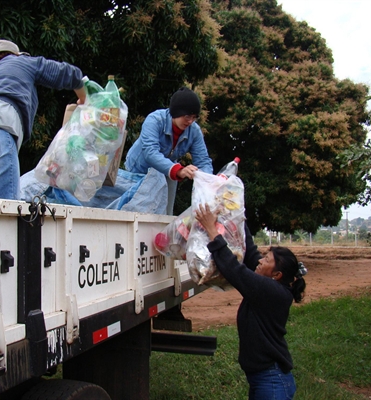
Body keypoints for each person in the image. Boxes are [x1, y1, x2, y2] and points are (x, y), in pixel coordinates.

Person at [0, 39, 86, 200]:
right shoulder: (22, 62)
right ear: (16, 54)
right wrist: (84, 99)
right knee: (1, 213)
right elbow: (69, 73)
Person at [195, 204, 307, 400]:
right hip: (264, 378)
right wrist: (238, 214)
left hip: (271, 381)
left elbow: (234, 270)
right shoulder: (272, 285)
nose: (261, 261)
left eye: (267, 260)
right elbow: (250, 253)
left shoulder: (271, 291)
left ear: (277, 275)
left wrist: (212, 230)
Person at [124, 87, 213, 215]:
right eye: (187, 116)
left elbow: (203, 160)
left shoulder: (195, 131)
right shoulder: (154, 120)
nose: (190, 121)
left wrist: (209, 181)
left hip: (167, 171)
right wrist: (179, 170)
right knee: (135, 210)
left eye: (194, 117)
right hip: (140, 169)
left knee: (165, 214)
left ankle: (161, 234)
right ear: (175, 112)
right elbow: (150, 152)